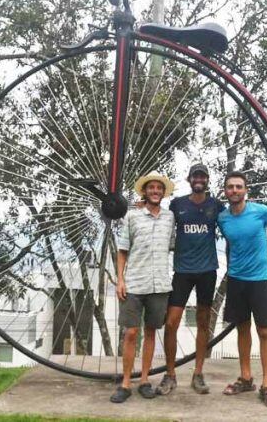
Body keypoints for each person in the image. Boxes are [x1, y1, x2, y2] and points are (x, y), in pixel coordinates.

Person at [155, 163, 224, 396]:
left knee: (203, 323)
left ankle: (198, 373)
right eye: (195, 175)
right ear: (189, 178)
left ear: (207, 180)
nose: (199, 179)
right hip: (182, 271)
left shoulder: (215, 205)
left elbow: (234, 221)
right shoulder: (177, 205)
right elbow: (160, 220)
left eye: (203, 176)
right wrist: (143, 205)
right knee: (172, 322)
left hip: (207, 271)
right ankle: (170, 374)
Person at [217, 170, 267, 408]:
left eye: (238, 187)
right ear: (225, 191)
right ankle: (246, 378)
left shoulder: (260, 212)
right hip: (236, 281)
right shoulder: (223, 218)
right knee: (242, 330)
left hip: (259, 280)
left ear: (245, 190)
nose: (234, 190)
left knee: (264, 331)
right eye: (230, 187)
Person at [110, 171, 176, 404]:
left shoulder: (170, 218)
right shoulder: (132, 217)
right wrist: (120, 279)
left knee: (150, 333)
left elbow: (172, 245)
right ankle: (126, 382)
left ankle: (145, 380)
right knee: (130, 333)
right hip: (135, 283)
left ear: (163, 192)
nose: (155, 191)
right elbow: (122, 250)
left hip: (159, 285)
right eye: (151, 188)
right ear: (145, 191)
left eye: (159, 188)